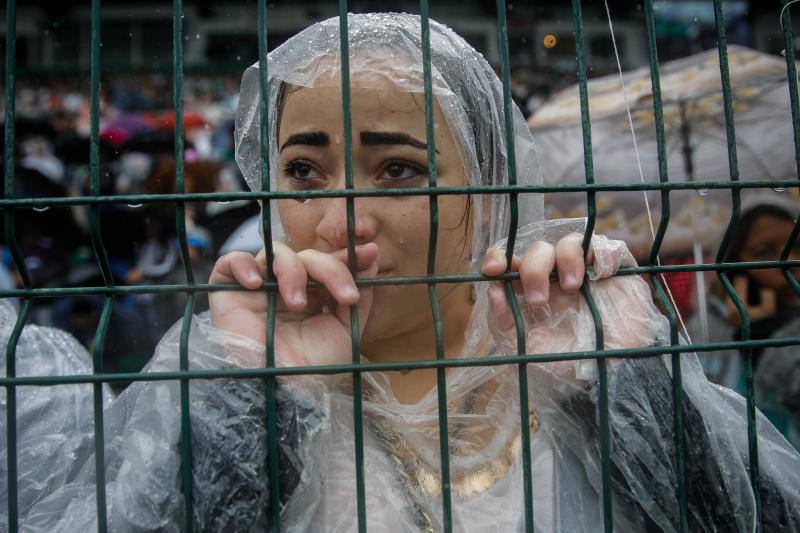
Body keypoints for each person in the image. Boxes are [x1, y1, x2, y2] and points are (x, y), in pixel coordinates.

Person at [3, 14, 799, 532]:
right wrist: (250, 403)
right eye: (304, 171)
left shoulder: (574, 375)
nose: (339, 219)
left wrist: (632, 387)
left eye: (398, 170)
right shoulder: (228, 385)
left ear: (487, 186)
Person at [687, 193, 800, 450]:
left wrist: (765, 337)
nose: (788, 261)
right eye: (764, 252)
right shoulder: (708, 328)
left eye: (797, 246)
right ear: (735, 265)